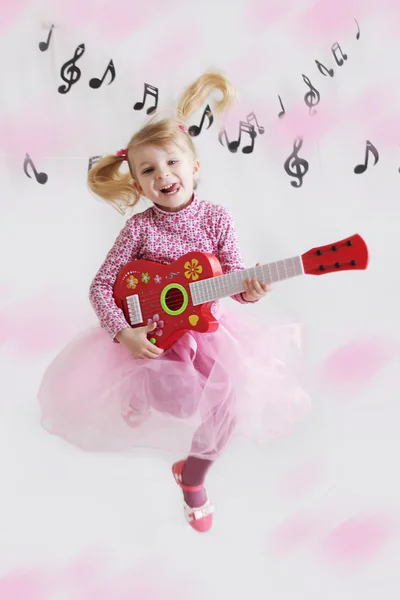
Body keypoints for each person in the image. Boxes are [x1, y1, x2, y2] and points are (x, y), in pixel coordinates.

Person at [37, 71, 311, 533]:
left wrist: (252, 287)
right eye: (148, 170)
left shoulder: (217, 218)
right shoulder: (138, 229)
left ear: (194, 167)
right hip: (156, 338)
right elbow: (101, 287)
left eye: (171, 163)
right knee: (176, 399)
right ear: (140, 186)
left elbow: (235, 279)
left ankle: (194, 476)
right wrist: (123, 331)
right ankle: (138, 390)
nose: (163, 175)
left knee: (229, 404)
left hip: (207, 335)